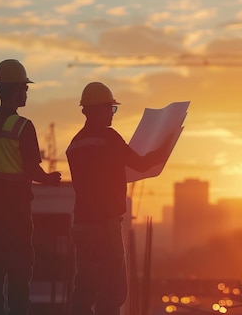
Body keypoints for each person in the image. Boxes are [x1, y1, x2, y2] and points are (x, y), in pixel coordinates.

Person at [66, 81, 173, 315]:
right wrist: (164, 149)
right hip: (105, 225)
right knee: (112, 291)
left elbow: (94, 177)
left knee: (85, 287)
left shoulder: (74, 145)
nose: (112, 115)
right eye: (110, 109)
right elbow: (141, 164)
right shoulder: (109, 138)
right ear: (96, 110)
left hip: (81, 225)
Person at [0, 59, 62, 315]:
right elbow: (32, 169)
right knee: (19, 287)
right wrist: (50, 179)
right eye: (24, 87)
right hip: (17, 221)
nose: (26, 92)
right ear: (15, 89)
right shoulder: (23, 127)